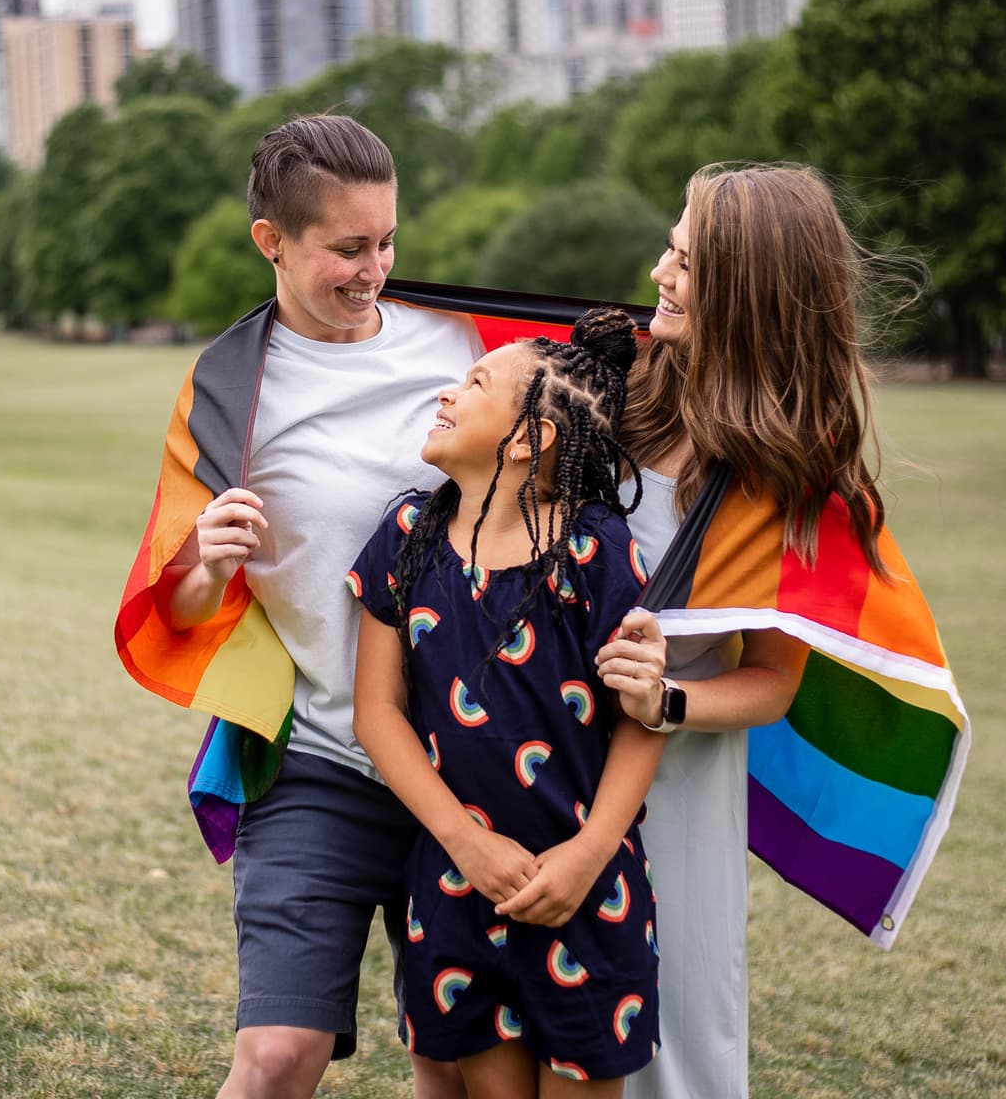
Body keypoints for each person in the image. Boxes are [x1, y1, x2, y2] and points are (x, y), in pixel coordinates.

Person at [152, 115, 482, 1099]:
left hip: (468, 763)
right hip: (319, 765)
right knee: (275, 1054)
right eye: (346, 247)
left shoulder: (460, 343)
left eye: (385, 240)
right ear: (273, 242)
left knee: (456, 1064)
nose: (374, 267)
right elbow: (172, 598)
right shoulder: (228, 386)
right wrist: (207, 562)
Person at [593, 163, 893, 1099]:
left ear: (746, 286)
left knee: (669, 1044)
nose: (656, 272)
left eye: (682, 261)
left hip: (677, 792)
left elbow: (774, 678)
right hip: (550, 759)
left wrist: (668, 698)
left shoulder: (791, 473)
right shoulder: (622, 379)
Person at [351, 309, 669, 1098]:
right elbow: (376, 714)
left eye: (476, 382)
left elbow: (641, 719)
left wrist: (589, 854)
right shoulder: (406, 536)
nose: (450, 392)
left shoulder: (597, 551)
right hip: (457, 889)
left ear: (528, 440)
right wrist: (465, 844)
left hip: (586, 894)